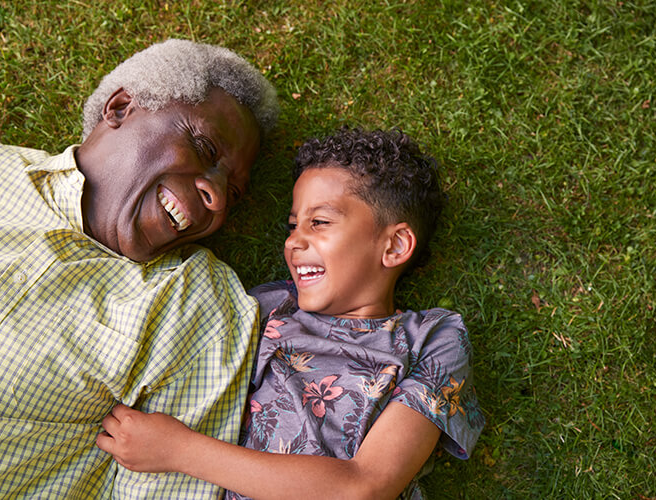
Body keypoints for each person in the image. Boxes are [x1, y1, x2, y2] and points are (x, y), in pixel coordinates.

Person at [0, 39, 278, 498]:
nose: (216, 199)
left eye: (231, 193)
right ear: (119, 108)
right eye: (202, 146)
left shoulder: (191, 304)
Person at [97, 127, 485, 499]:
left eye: (320, 222)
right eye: (292, 224)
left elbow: (365, 486)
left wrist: (178, 451)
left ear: (395, 246)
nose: (294, 241)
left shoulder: (434, 340)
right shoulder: (266, 308)